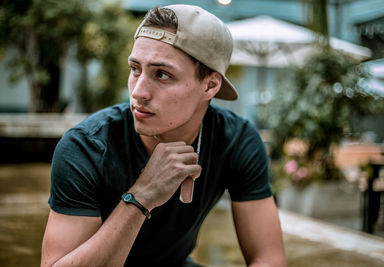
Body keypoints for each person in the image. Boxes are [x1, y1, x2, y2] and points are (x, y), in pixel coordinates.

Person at [41, 4, 286, 267]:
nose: (138, 92)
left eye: (162, 74)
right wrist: (141, 196)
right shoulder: (86, 146)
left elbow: (268, 258)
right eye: (135, 69)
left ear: (211, 85)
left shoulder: (236, 140)